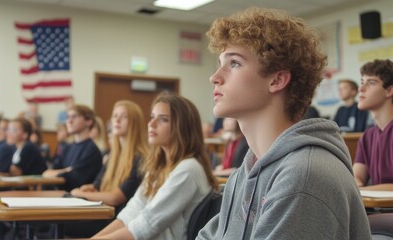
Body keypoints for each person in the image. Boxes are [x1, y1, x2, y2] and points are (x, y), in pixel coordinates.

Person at [197, 7, 370, 239]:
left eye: (234, 63)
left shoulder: (304, 175)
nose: (214, 77)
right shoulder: (245, 173)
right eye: (220, 63)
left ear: (277, 80)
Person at [92, 92, 219, 240]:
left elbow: (147, 224)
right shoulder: (159, 167)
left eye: (163, 119)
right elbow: (131, 212)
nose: (151, 124)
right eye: (152, 117)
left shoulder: (189, 169)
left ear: (182, 127)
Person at [64, 100, 149, 238]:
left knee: (60, 226)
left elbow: (116, 198)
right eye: (115, 116)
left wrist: (81, 193)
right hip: (100, 214)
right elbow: (96, 186)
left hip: (117, 223)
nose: (117, 120)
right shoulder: (111, 157)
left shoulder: (141, 159)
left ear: (135, 122)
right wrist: (88, 188)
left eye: (124, 116)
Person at [353, 59, 393, 190]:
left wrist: (359, 192)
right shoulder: (367, 136)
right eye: (362, 82)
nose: (361, 88)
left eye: (371, 83)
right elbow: (356, 176)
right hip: (375, 209)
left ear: (389, 91)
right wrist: (357, 185)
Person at [43, 104, 102, 191]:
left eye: (74, 116)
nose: (69, 121)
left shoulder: (91, 149)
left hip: (78, 199)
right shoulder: (67, 147)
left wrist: (62, 172)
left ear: (88, 121)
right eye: (68, 117)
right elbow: (47, 173)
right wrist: (67, 170)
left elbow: (75, 179)